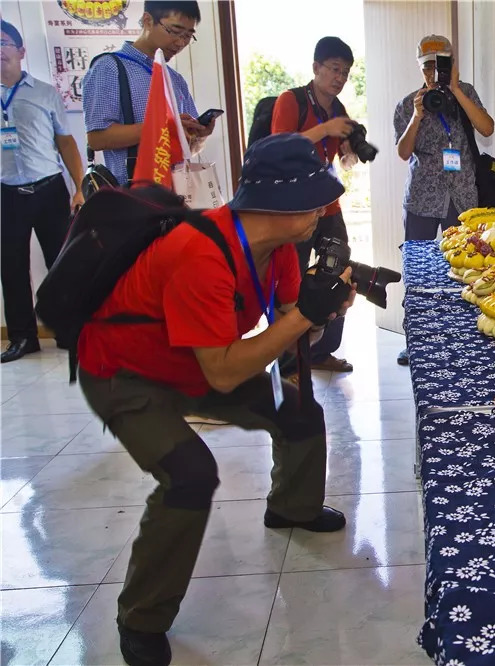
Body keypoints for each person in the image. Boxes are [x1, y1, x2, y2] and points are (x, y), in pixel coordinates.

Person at [76, 134, 355, 666]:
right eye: (316, 200)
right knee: (189, 473)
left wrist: (325, 307)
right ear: (278, 203)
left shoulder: (279, 252)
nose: (324, 209)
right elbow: (224, 374)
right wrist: (304, 316)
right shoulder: (200, 252)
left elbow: (295, 332)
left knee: (298, 409)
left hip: (196, 360)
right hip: (124, 372)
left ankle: (291, 508)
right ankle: (140, 617)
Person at [393, 34, 494, 365]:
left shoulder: (466, 93)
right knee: (417, 273)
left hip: (462, 196)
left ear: (453, 64)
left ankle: (464, 334)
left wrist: (456, 91)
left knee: (466, 269)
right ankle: (416, 339)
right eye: (428, 66)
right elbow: (403, 151)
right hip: (423, 196)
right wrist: (418, 115)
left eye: (442, 64)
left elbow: (487, 128)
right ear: (420, 67)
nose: (434, 72)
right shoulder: (409, 104)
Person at [271, 36, 357, 375]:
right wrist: (326, 129)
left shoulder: (338, 109)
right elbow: (279, 149)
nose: (339, 78)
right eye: (335, 69)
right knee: (291, 285)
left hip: (328, 207)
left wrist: (351, 148)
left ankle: (322, 352)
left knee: (339, 274)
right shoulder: (291, 100)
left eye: (346, 72)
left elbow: (342, 157)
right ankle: (288, 364)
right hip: (293, 210)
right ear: (316, 68)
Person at [1, 20, 85, 363]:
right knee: (12, 266)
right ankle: (23, 338)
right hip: (6, 191)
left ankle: (69, 332)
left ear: (21, 51)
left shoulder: (45, 91)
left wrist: (79, 186)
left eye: (4, 42)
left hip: (49, 188)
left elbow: (65, 142)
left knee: (61, 263)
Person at [82, 0, 213, 187]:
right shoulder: (109, 67)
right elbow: (97, 138)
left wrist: (200, 135)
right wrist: (161, 128)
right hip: (133, 194)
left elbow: (189, 149)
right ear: (148, 20)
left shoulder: (175, 79)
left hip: (177, 193)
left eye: (188, 36)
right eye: (175, 32)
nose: (181, 42)